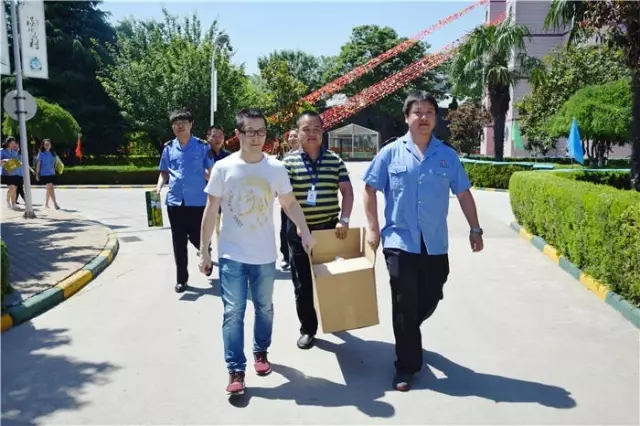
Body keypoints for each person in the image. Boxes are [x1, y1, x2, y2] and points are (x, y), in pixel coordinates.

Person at [362, 91, 484, 392]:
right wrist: (373, 229)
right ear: (407, 117)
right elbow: (369, 188)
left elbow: (463, 193)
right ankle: (406, 366)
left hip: (435, 243)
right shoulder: (391, 153)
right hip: (399, 241)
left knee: (430, 296)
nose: (424, 117)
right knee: (404, 302)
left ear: (436, 118)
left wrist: (475, 228)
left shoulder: (447, 155)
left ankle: (408, 331)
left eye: (429, 112)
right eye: (417, 112)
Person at [198, 108, 316, 396]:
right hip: (231, 255)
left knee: (264, 308)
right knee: (233, 311)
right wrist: (204, 251)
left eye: (260, 131)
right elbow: (211, 210)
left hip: (264, 255)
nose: (255, 137)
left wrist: (304, 230)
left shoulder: (275, 168)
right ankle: (235, 370)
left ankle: (261, 351)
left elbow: (289, 203)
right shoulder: (223, 168)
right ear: (237, 134)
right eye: (249, 131)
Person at [282, 111, 354, 350]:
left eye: (316, 129)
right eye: (306, 129)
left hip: (328, 230)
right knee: (302, 284)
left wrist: (344, 220)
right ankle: (308, 329)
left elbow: (347, 191)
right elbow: (285, 200)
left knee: (330, 280)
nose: (311, 134)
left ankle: (334, 319)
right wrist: (301, 227)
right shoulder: (288, 163)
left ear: (323, 132)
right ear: (298, 132)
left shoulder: (335, 160)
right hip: (298, 232)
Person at [156, 109, 214, 293]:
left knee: (198, 237)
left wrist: (212, 182)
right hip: (175, 202)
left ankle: (205, 252)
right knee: (178, 242)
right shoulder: (168, 148)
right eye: (176, 123)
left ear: (191, 124)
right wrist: (158, 188)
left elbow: (211, 171)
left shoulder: (202, 146)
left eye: (183, 122)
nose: (179, 126)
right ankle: (182, 279)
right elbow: (164, 172)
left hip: (198, 201)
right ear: (172, 127)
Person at [277, 129, 300, 271]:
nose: (292, 139)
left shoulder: (305, 156)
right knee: (285, 231)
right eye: (290, 136)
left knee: (298, 230)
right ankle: (286, 257)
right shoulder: (284, 157)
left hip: (301, 201)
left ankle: (297, 258)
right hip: (286, 201)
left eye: (295, 136)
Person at [36, 139, 60, 209]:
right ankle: (55, 203)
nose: (47, 146)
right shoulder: (41, 153)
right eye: (45, 144)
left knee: (49, 189)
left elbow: (56, 163)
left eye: (48, 144)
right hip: (44, 174)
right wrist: (37, 174)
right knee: (51, 188)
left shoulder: (53, 153)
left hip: (52, 173)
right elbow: (38, 164)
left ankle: (46, 204)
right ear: (43, 145)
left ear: (50, 145)